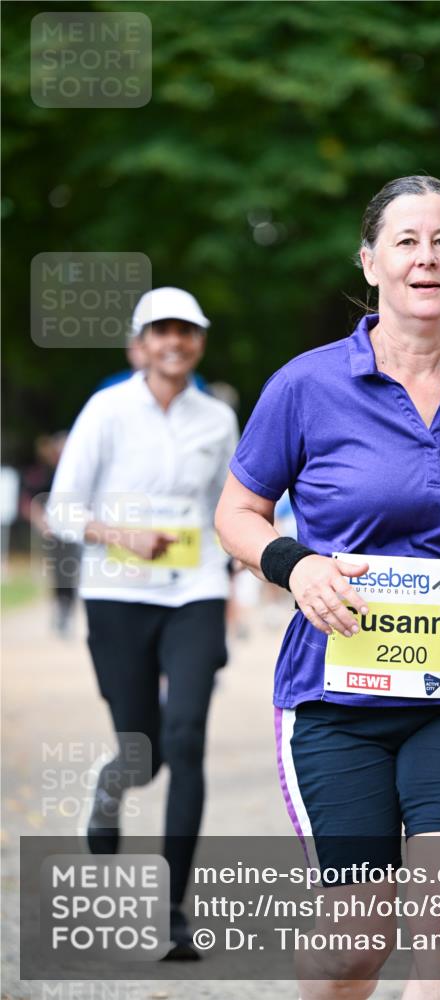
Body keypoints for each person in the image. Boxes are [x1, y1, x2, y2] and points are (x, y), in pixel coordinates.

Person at [216, 175, 440, 999]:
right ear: (370, 262)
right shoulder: (305, 385)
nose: (424, 257)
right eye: (405, 241)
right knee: (354, 947)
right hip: (335, 698)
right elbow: (236, 512)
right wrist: (299, 567)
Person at [47, 286, 238, 958]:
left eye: (187, 332)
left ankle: (173, 910)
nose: (175, 342)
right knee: (143, 750)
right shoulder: (107, 410)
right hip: (117, 595)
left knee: (186, 740)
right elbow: (60, 509)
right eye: (162, 331)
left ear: (198, 343)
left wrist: (232, 588)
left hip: (195, 591)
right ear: (140, 342)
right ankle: (110, 788)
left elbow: (228, 512)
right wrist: (118, 535)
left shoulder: (216, 420)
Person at [21, 432, 80, 636]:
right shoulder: (44, 474)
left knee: (72, 570)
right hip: (52, 531)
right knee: (59, 571)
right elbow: (31, 501)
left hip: (74, 530)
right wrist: (41, 523)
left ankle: (68, 608)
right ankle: (61, 607)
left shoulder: (75, 474)